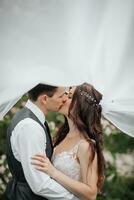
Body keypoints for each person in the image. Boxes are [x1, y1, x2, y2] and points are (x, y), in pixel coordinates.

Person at [31, 83, 105, 200]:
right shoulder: (60, 137)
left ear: (81, 105)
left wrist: (54, 172)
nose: (64, 99)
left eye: (70, 97)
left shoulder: (86, 145)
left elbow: (91, 194)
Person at [5, 84, 77, 200]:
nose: (65, 99)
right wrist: (74, 199)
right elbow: (40, 184)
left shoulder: (32, 118)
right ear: (44, 99)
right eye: (60, 96)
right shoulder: (30, 127)